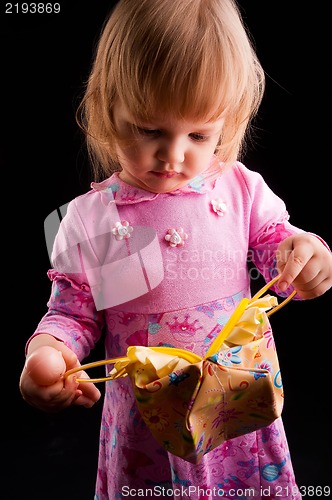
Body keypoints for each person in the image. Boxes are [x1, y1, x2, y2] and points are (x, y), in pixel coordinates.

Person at [19, 0, 332, 498]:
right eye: (150, 130)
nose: (174, 155)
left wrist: (304, 253)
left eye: (199, 134)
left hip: (238, 414)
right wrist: (50, 351)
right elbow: (74, 314)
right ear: (107, 108)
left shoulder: (238, 189)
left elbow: (277, 248)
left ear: (226, 123)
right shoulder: (94, 219)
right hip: (150, 434)